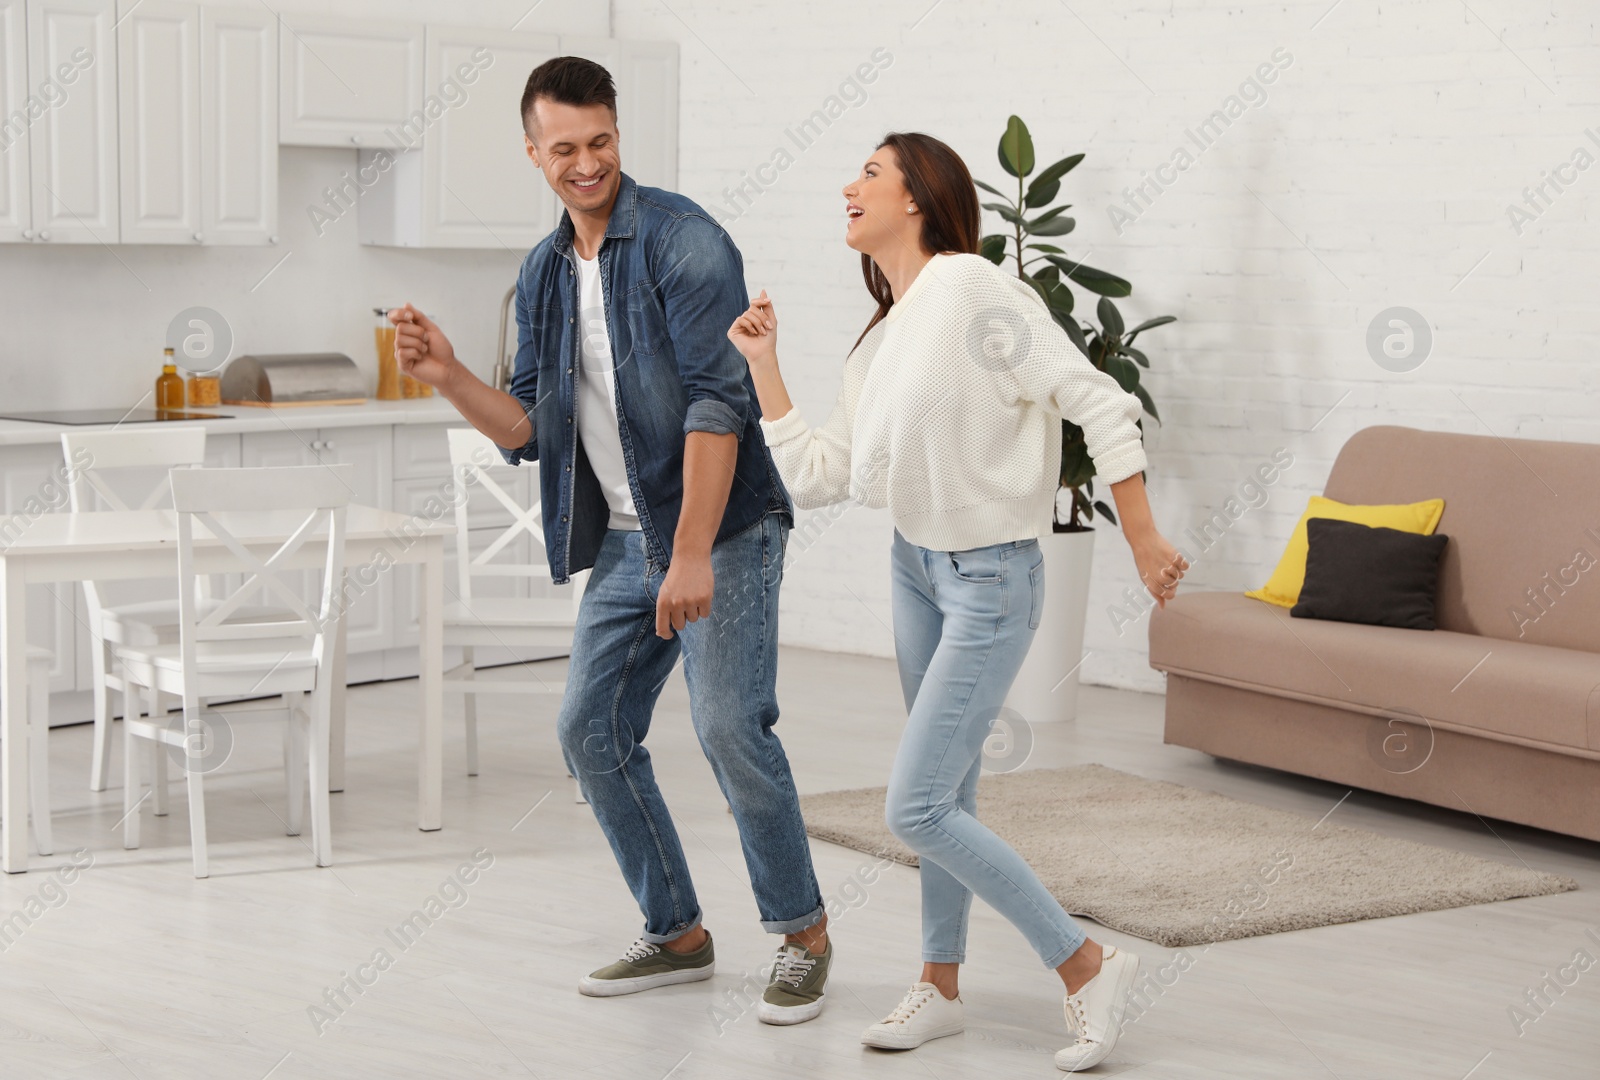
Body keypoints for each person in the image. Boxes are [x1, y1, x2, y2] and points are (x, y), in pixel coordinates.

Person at [726, 131, 1188, 1070]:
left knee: (917, 805)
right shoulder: (884, 337)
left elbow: (1098, 400)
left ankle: (1088, 963)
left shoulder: (976, 292)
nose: (847, 186)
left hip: (989, 578)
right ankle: (939, 984)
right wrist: (766, 369)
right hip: (913, 570)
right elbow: (821, 476)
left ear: (919, 199)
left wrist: (1141, 534)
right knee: (947, 791)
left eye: (870, 173)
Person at [390, 55, 833, 1025]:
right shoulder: (542, 273)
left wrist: (688, 555)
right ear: (532, 152)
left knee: (726, 727)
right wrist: (447, 373)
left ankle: (801, 934)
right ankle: (675, 932)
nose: (584, 164)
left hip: (723, 530)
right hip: (632, 542)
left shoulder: (684, 242)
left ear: (617, 136)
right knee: (589, 732)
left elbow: (721, 407)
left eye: (599, 142)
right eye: (563, 149)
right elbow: (530, 432)